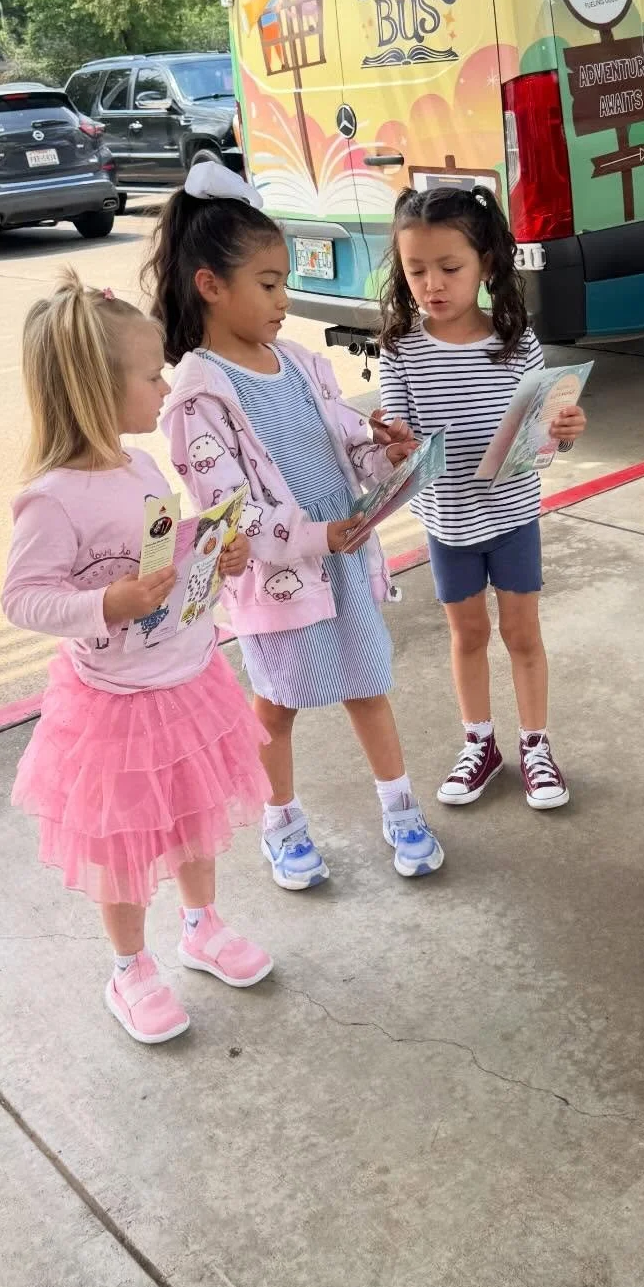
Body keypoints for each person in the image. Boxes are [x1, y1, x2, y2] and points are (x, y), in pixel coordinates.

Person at [149, 159, 446, 885]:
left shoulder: (300, 362)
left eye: (284, 282)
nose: (285, 299)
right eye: (270, 284)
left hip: (342, 561)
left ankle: (400, 806)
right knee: (275, 707)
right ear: (211, 286)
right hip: (278, 584)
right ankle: (280, 823)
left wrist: (385, 456)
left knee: (367, 685)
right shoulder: (198, 397)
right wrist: (315, 537)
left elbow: (347, 444)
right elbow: (234, 514)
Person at [2, 274, 273, 1047]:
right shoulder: (52, 498)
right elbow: (23, 598)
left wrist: (211, 553)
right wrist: (104, 607)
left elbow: (159, 548)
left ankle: (202, 926)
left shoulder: (142, 467)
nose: (166, 388)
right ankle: (130, 969)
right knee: (121, 841)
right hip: (115, 703)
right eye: (152, 375)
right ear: (96, 386)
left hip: (186, 680)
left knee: (191, 819)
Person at [377, 185, 587, 811]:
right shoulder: (399, 351)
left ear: (486, 266)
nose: (432, 284)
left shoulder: (514, 343)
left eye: (449, 268)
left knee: (523, 633)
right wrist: (395, 446)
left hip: (514, 514)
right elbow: (398, 445)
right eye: (416, 270)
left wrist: (564, 432)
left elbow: (542, 435)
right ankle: (480, 744)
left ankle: (535, 745)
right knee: (467, 634)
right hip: (447, 521)